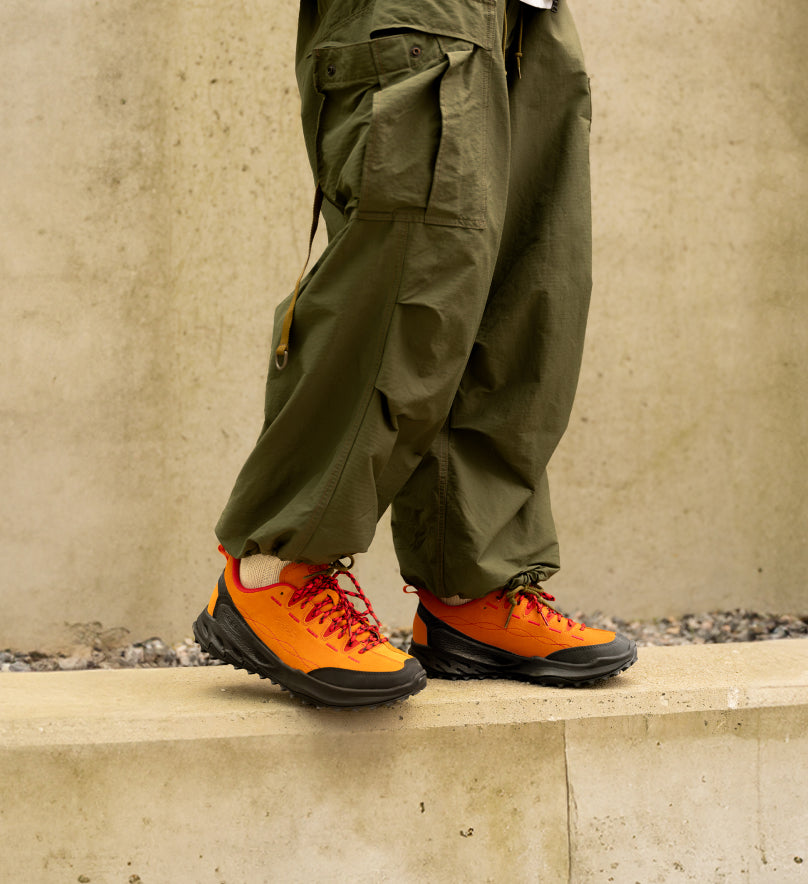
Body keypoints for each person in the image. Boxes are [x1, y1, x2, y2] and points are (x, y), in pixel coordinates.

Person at [193, 0, 637, 708]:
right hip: (417, 10)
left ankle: (473, 586)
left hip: (530, 16)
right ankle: (275, 572)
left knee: (529, 292)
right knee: (414, 267)